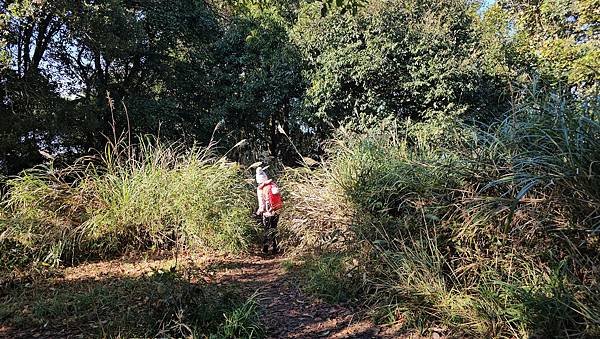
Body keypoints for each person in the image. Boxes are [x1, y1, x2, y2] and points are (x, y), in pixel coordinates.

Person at [255, 167, 282, 254]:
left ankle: (265, 248)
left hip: (267, 212)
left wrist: (259, 211)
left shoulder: (260, 189)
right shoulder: (273, 185)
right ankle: (275, 247)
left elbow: (261, 205)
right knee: (274, 228)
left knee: (267, 229)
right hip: (276, 210)